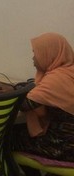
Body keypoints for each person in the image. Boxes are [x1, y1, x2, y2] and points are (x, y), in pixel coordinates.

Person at [11, 32, 74, 162]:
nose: (33, 58)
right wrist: (11, 89)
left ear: (48, 54)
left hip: (64, 146)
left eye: (36, 53)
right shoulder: (69, 71)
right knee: (16, 131)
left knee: (5, 137)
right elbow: (37, 92)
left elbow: (24, 105)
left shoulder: (56, 79)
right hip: (68, 139)